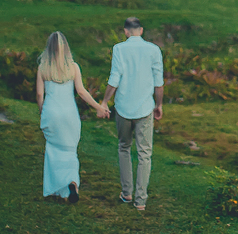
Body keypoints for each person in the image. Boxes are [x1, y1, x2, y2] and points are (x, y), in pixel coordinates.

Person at [35, 31, 109, 204]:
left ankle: (58, 188)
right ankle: (72, 184)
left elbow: (39, 94)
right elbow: (81, 91)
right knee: (70, 152)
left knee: (54, 151)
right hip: (70, 115)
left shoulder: (43, 67)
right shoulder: (73, 67)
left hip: (51, 113)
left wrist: (42, 110)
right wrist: (99, 106)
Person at [101, 17, 164, 211]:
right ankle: (141, 201)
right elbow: (158, 81)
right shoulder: (154, 50)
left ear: (126, 31)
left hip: (123, 107)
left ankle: (127, 193)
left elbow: (115, 77)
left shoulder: (119, 49)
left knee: (124, 147)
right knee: (145, 154)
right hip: (145, 108)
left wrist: (104, 101)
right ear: (141, 30)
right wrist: (159, 104)